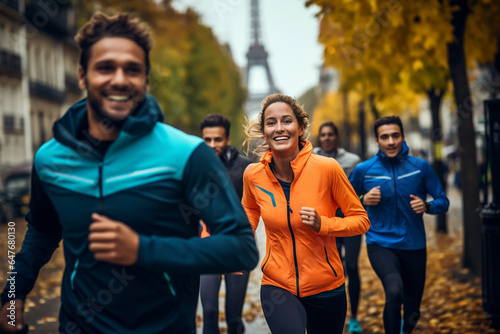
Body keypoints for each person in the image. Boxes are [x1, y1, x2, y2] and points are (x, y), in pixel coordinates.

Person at [0, 12, 258, 334]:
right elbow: (40, 231)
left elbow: (241, 248)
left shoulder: (187, 154)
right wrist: (13, 294)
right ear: (82, 75)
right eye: (105, 67)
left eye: (132, 69)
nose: (119, 79)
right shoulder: (49, 159)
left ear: (146, 79)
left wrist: (142, 249)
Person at [241, 93, 370, 334]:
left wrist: (325, 224)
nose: (279, 128)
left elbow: (361, 220)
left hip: (326, 287)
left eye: (287, 121)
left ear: (300, 127)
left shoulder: (327, 169)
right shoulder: (253, 175)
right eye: (271, 122)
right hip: (277, 285)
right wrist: (241, 244)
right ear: (264, 130)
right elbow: (249, 209)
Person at [349, 115, 449, 334]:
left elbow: (443, 200)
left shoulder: (420, 167)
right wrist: (362, 200)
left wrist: (428, 206)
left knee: (413, 310)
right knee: (394, 292)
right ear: (377, 140)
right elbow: (342, 203)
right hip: (380, 243)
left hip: (414, 245)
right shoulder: (363, 170)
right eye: (384, 137)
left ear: (403, 137)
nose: (391, 141)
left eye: (395, 135)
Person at [199, 114, 252, 334]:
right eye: (207, 140)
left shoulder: (246, 168)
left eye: (217, 140)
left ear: (228, 139)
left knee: (234, 317)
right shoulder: (195, 166)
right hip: (206, 246)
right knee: (209, 313)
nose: (212, 145)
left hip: (236, 248)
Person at [312, 121, 363, 333]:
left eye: (330, 134)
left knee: (351, 266)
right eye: (323, 134)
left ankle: (353, 317)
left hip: (348, 221)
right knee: (329, 269)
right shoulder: (308, 159)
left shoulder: (352, 161)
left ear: (337, 137)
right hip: (323, 224)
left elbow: (360, 191)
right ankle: (329, 314)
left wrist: (364, 197)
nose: (326, 138)